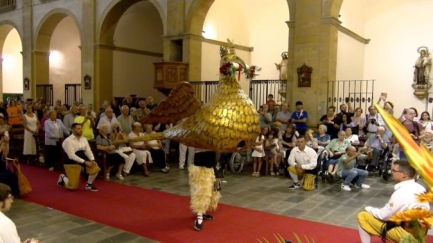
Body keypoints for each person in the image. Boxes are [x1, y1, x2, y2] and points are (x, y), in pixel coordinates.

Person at [357, 160, 430, 242]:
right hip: (421, 232)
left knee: (363, 215)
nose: (390, 172)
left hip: (409, 235)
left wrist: (369, 209)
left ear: (404, 174)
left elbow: (384, 216)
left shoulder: (402, 192)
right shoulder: (420, 187)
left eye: (394, 170)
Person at [58, 123, 99, 192]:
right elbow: (71, 156)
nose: (80, 130)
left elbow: (88, 151)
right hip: (71, 162)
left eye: (81, 128)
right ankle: (63, 177)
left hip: (82, 159)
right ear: (73, 130)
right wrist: (85, 162)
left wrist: (92, 160)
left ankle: (88, 185)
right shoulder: (68, 141)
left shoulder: (84, 139)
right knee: (72, 187)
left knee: (95, 168)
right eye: (78, 129)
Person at [189, 148, 220, 231]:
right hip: (201, 165)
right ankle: (199, 216)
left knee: (212, 190)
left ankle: (202, 212)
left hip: (210, 164)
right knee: (201, 191)